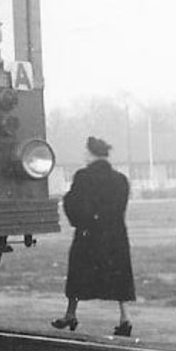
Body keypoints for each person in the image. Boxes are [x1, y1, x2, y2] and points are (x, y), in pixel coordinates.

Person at [52, 136, 136, 336]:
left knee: (78, 275)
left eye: (86, 152)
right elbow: (120, 207)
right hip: (115, 235)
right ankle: (125, 318)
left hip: (88, 235)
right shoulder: (121, 179)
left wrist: (81, 222)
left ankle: (70, 314)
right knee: (119, 276)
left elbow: (73, 202)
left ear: (91, 154)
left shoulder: (82, 176)